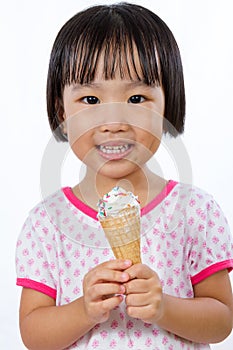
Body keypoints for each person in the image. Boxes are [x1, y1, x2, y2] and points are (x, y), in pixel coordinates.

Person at [15, 3, 233, 350]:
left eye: (136, 97)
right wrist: (82, 311)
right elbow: (32, 333)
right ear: (61, 111)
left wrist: (164, 308)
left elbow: (221, 320)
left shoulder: (196, 211)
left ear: (167, 104)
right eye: (90, 98)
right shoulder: (46, 223)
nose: (114, 120)